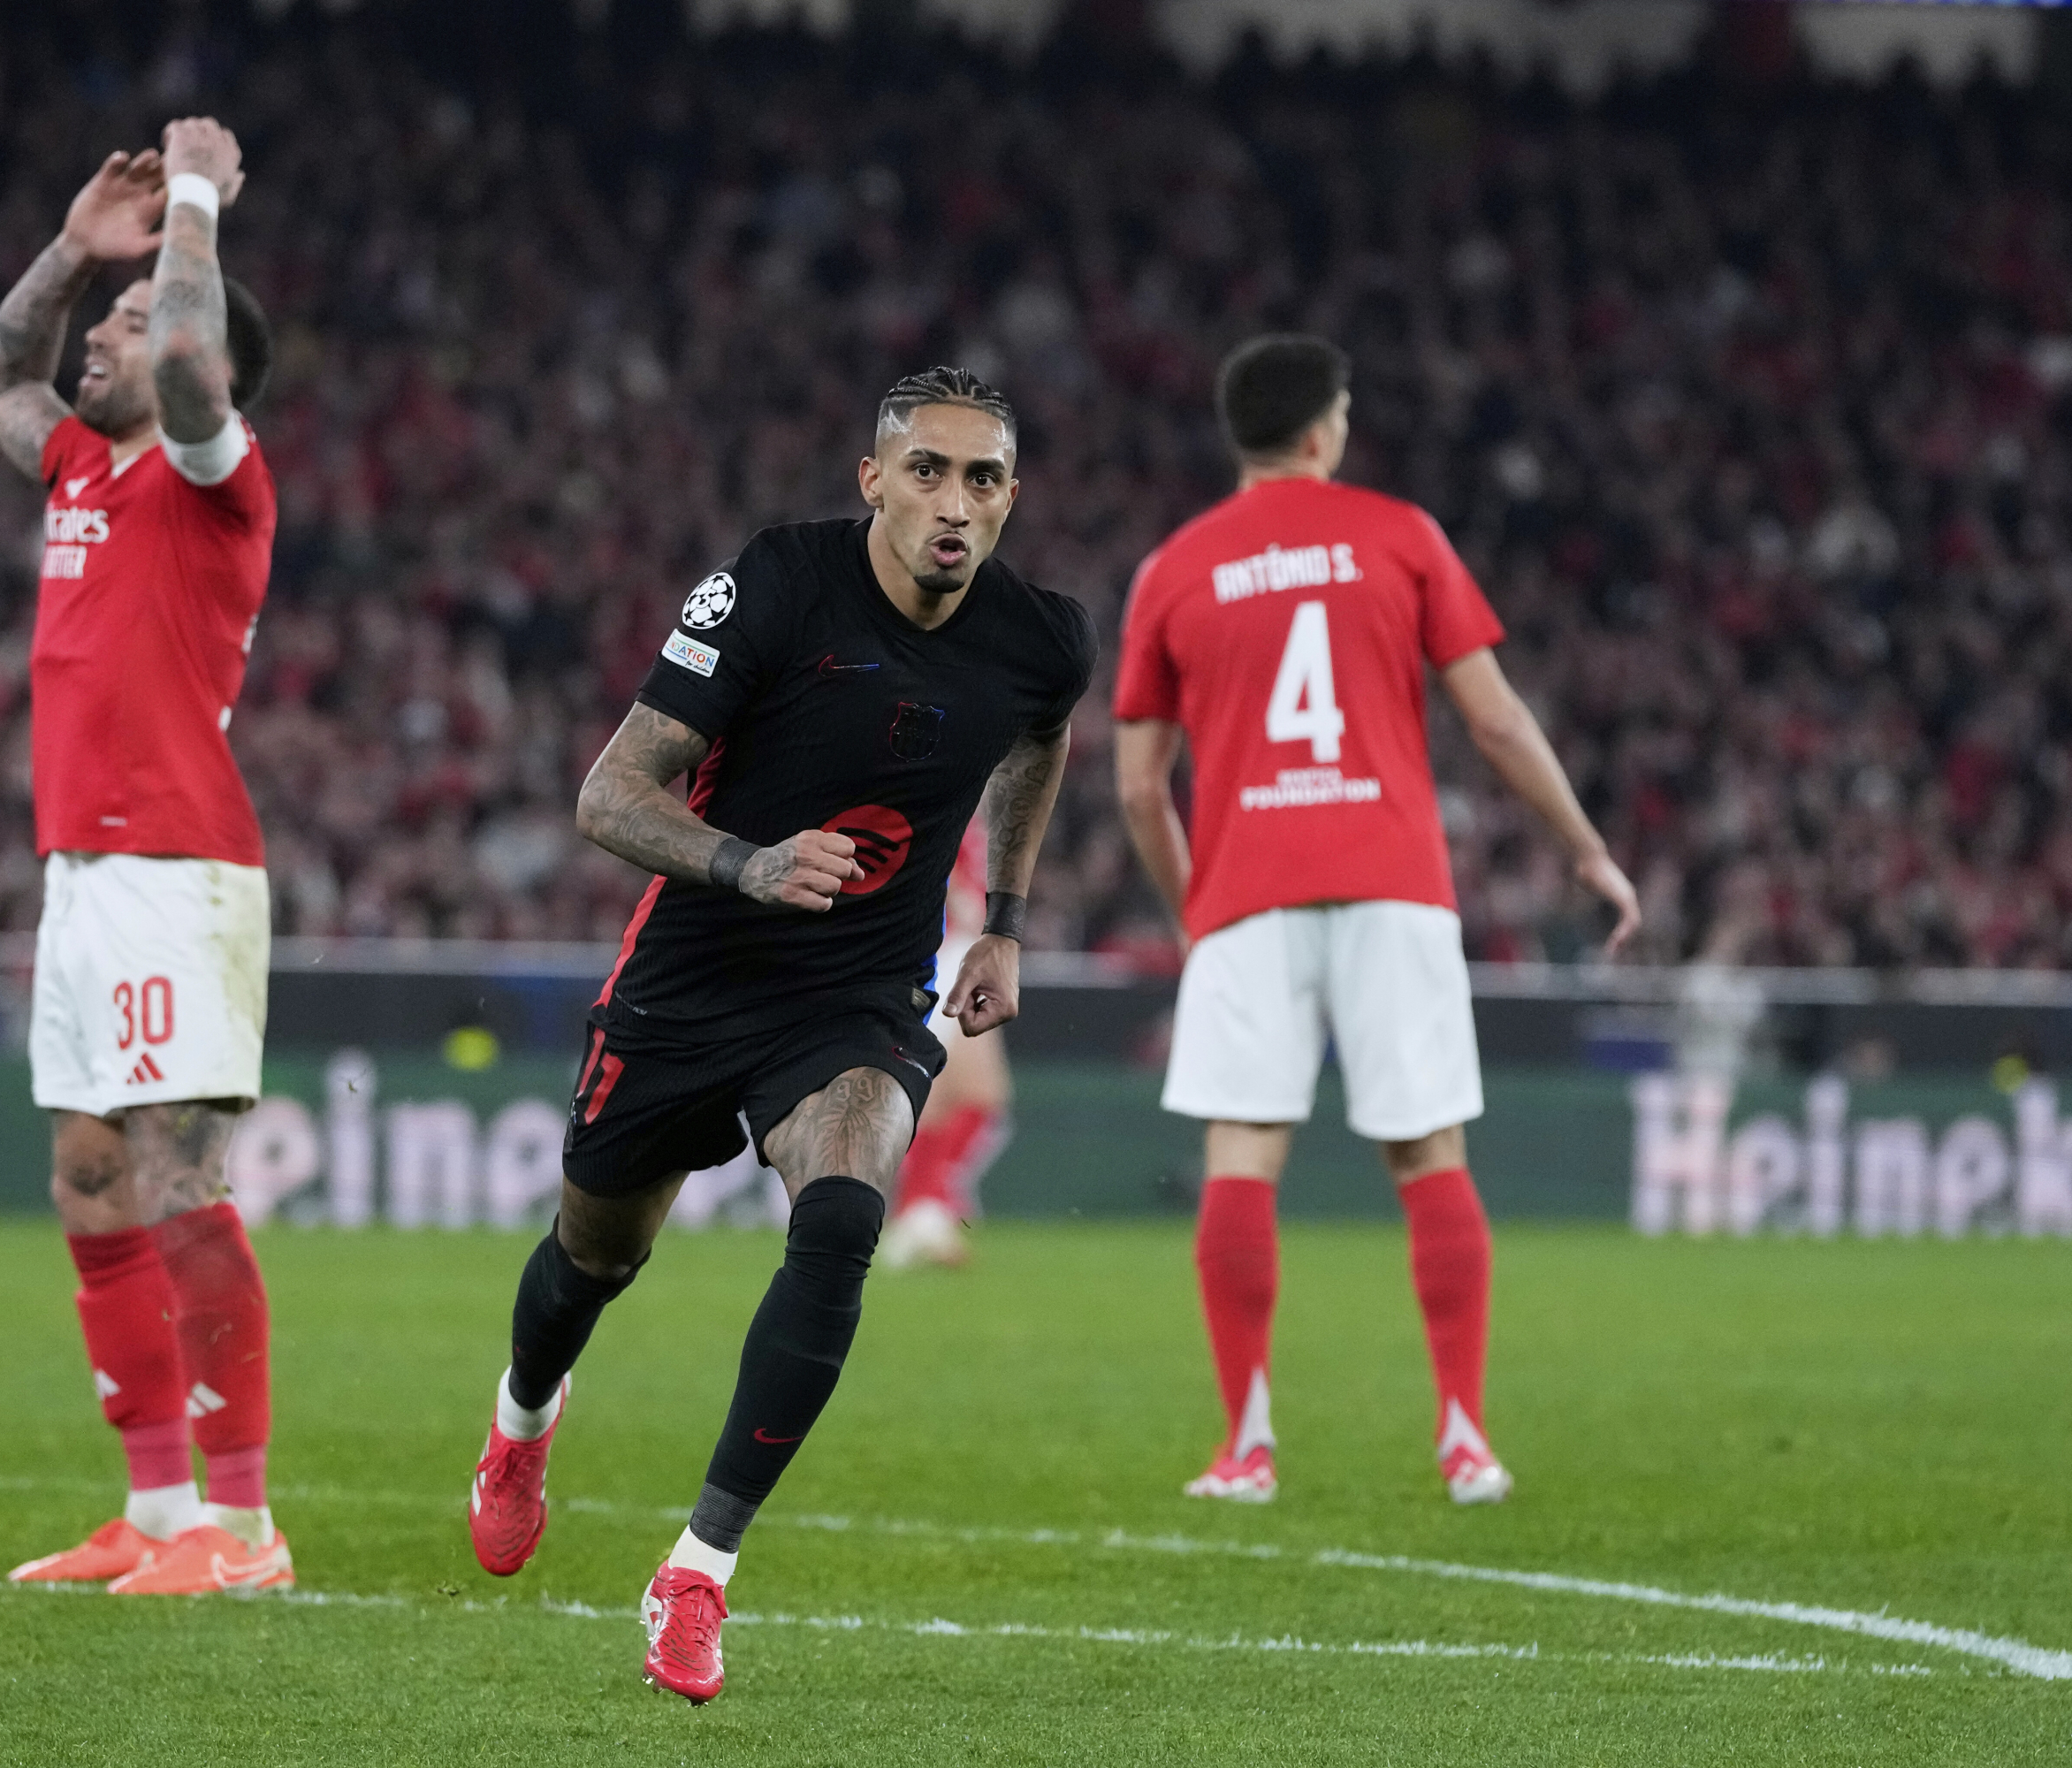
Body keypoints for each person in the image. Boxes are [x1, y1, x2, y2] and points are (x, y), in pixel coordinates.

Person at [463, 367, 1095, 1703]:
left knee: (849, 1209)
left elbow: (1041, 741)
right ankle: (523, 1420)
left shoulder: (1041, 638)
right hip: (695, 973)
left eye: (983, 480)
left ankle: (698, 1570)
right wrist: (746, 864)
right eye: (927, 470)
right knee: (595, 1256)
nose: (954, 502)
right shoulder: (774, 587)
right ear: (873, 479)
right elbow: (608, 793)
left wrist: (1008, 921)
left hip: (857, 994)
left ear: (1011, 502)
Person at [1113, 335, 1639, 1507]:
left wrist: (1195, 908)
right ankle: (1464, 1438)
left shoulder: (1176, 569)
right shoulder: (1401, 537)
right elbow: (1497, 722)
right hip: (1394, 877)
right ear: (1322, 432)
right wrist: (1585, 850)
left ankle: (1245, 1449)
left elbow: (1141, 785)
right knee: (1429, 1152)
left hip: (1247, 888)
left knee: (1243, 1154)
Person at [0, 120, 288, 1595]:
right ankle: (155, 1516)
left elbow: (193, 373)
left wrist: (196, 211)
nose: (108, 330)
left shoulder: (218, 480)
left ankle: (248, 1527)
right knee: (92, 1175)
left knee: (179, 1182)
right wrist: (80, 245)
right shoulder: (84, 473)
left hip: (181, 871)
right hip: (82, 876)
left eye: (134, 314)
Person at [878, 813, 1012, 1269]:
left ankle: (921, 1210)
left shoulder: (977, 796)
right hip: (949, 953)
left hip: (960, 948)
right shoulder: (949, 776)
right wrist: (961, 903)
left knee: (964, 1097)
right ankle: (922, 1209)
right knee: (964, 1095)